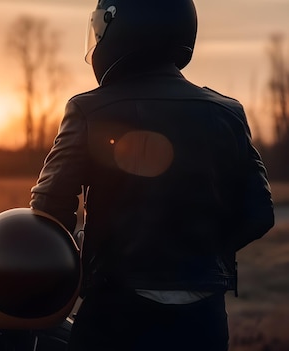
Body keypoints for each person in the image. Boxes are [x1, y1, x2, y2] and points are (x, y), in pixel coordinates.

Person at [29, 0, 275, 350]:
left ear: (121, 27)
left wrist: (80, 261)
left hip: (117, 309)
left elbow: (48, 205)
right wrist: (201, 251)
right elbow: (259, 213)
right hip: (203, 314)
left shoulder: (89, 109)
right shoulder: (227, 111)